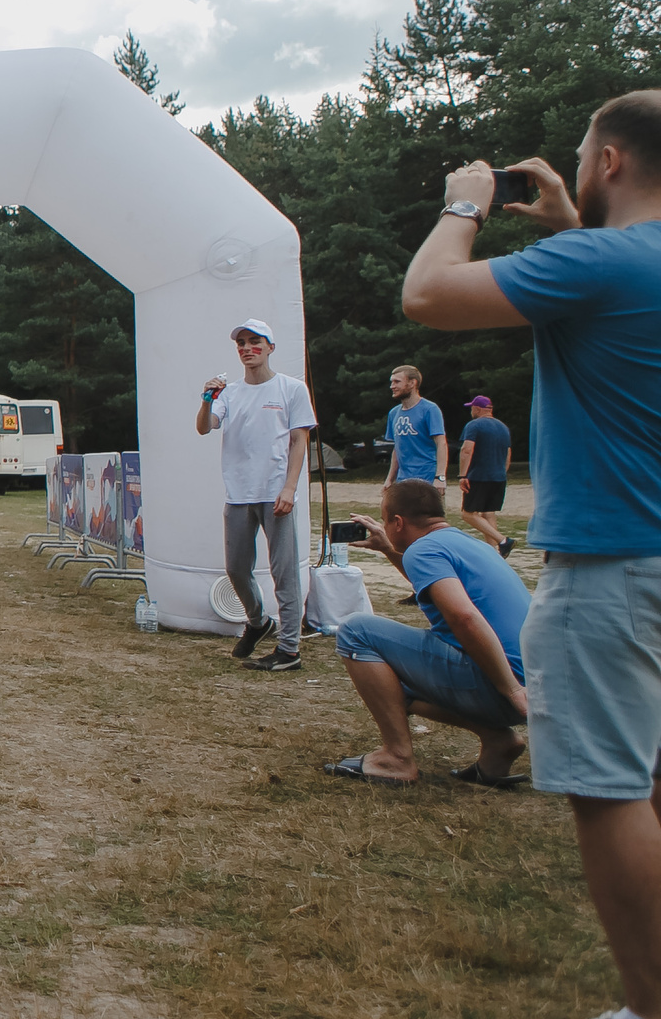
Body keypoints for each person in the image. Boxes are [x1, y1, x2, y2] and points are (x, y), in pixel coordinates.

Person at [400, 91, 661, 1019]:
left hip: (612, 561)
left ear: (609, 164)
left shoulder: (595, 262)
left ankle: (649, 1016)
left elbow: (427, 294)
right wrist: (564, 219)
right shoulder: (613, 262)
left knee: (607, 785)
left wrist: (464, 203)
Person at [321, 481, 529, 789]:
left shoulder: (423, 549)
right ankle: (497, 740)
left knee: (356, 631)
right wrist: (389, 549)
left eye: (385, 519)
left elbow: (464, 617)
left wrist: (511, 689)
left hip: (507, 688)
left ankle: (397, 758)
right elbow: (435, 586)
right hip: (535, 683)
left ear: (398, 522)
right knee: (386, 674)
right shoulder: (469, 543)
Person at [196, 319, 316, 673]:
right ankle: (258, 621)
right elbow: (204, 426)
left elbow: (299, 441)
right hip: (239, 493)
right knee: (236, 568)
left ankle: (290, 648)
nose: (247, 348)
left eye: (255, 342)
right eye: (242, 344)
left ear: (270, 348)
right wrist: (206, 400)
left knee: (284, 571)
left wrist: (290, 488)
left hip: (275, 492)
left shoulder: (291, 389)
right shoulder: (229, 392)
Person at [458, 394, 515, 556]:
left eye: (471, 408)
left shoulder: (474, 425)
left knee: (468, 514)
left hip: (478, 476)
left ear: (477, 409)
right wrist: (502, 472)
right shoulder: (503, 427)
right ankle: (494, 554)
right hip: (498, 477)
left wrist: (463, 475)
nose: (471, 411)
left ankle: (503, 540)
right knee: (488, 513)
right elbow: (508, 453)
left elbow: (466, 450)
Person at [382, 364, 446, 487]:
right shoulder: (394, 413)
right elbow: (397, 447)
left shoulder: (429, 409)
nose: (392, 386)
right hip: (403, 480)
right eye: (391, 382)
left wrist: (440, 477)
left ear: (412, 383)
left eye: (397, 382)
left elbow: (441, 443)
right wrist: (390, 479)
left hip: (427, 478)